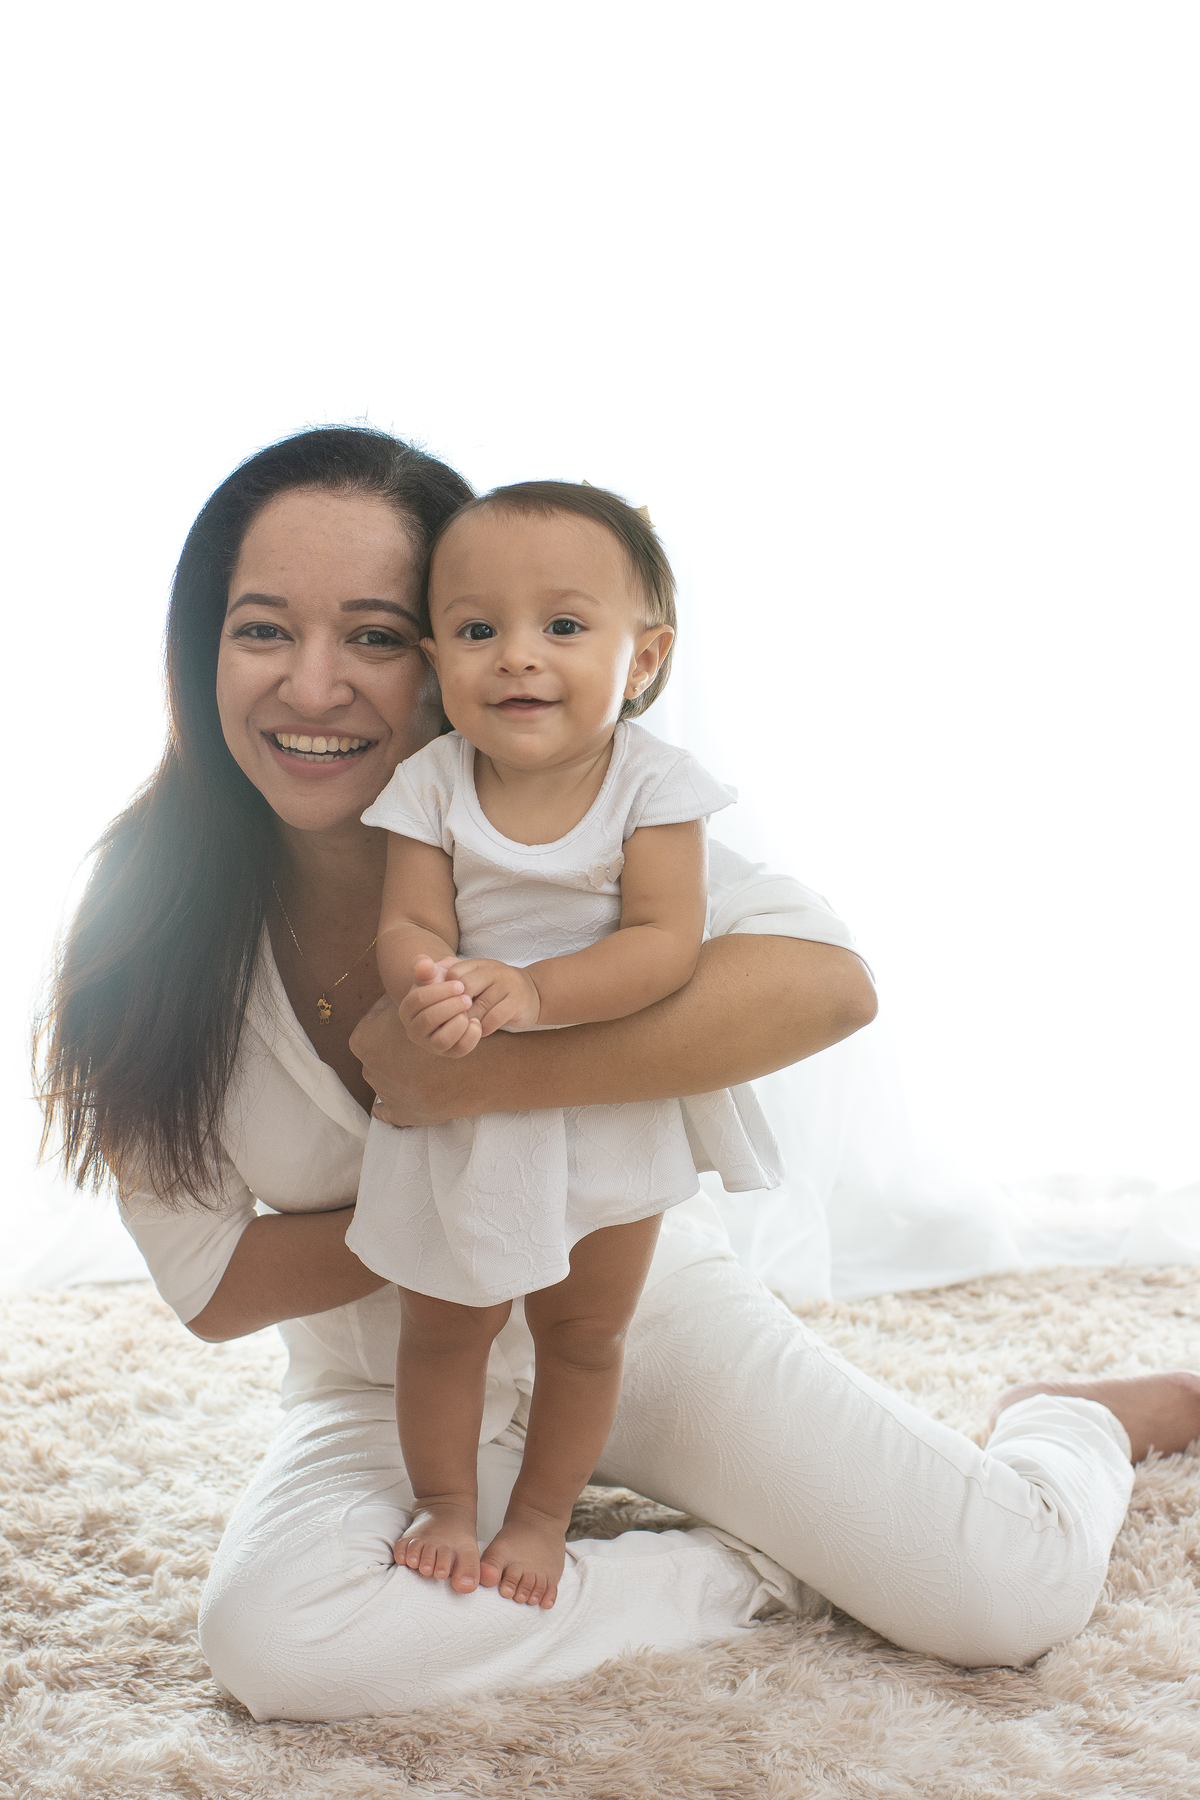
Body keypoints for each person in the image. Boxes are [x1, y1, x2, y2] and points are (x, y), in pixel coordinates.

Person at [36, 425, 1200, 1725]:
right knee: (277, 1643)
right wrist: (458, 1214)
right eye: (262, 630)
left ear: (457, 652)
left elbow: (828, 984)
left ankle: (1072, 1415)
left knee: (1015, 1600)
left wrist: (489, 1093)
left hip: (640, 1324)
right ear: (202, 655)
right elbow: (214, 1283)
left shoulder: (566, 819)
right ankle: (744, 1572)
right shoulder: (139, 924)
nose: (314, 686)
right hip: (385, 1386)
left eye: (375, 635)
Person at [352, 480, 780, 1609]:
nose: (518, 657)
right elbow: (407, 919)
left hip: (603, 1103)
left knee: (584, 1333)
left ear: (643, 660)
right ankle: (446, 1499)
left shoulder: (653, 785)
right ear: (439, 656)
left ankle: (542, 1516)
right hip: (465, 1100)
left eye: (565, 625)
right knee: (443, 1327)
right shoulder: (432, 782)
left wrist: (533, 994)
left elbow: (662, 945)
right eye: (479, 629)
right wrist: (429, 981)